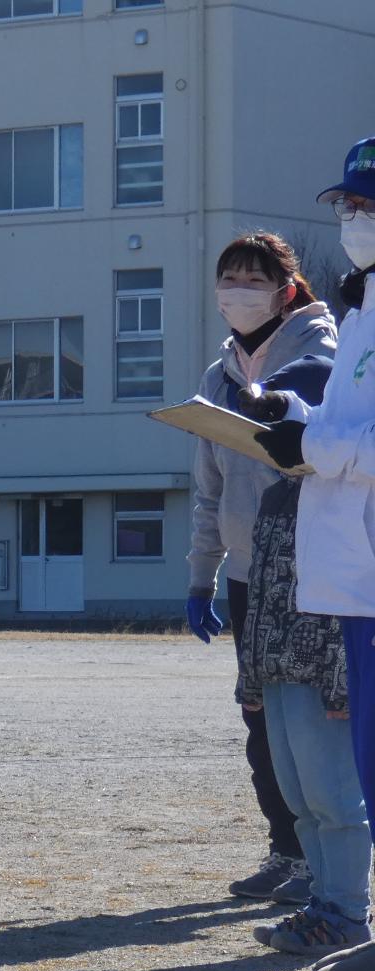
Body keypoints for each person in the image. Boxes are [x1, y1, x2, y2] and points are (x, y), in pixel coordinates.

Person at [254, 137, 375, 971]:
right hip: (353, 575)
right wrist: (298, 412)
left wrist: (318, 445)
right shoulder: (365, 309)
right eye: (349, 206)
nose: (353, 220)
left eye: (367, 206)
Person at [186, 232, 338, 906]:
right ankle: (285, 849)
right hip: (250, 573)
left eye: (254, 279)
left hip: (316, 566)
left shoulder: (322, 348)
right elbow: (209, 489)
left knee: (316, 721)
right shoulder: (217, 375)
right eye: (230, 280)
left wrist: (275, 403)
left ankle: (327, 864)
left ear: (285, 287)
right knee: (261, 721)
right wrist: (202, 576)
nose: (239, 292)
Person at [234, 361, 366, 957]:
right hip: (278, 672)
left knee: (336, 800)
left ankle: (347, 912)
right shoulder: (278, 496)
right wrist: (251, 675)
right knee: (300, 801)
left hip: (322, 675)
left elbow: (353, 596)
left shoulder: (348, 499)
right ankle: (321, 901)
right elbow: (259, 592)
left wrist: (346, 684)